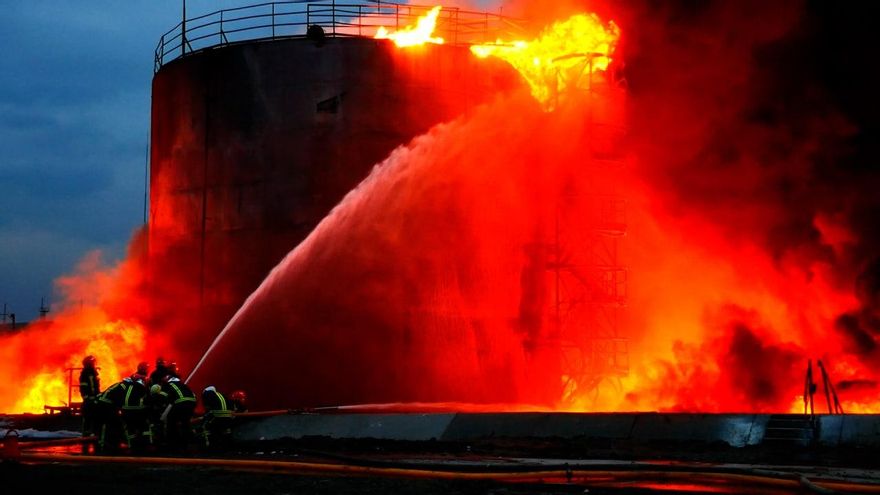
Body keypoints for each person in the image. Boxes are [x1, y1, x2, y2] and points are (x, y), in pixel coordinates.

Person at [151, 375, 196, 451]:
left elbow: (170, 400)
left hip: (181, 403)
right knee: (185, 423)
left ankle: (172, 444)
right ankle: (188, 444)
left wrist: (162, 416)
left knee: (171, 421)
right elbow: (193, 395)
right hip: (192, 403)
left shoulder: (169, 384)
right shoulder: (182, 384)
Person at [95, 378, 132, 453]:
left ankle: (112, 441)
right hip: (106, 406)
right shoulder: (123, 388)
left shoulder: (118, 385)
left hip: (103, 404)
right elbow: (121, 401)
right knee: (108, 424)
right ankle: (103, 444)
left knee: (113, 423)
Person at [121, 375, 151, 452]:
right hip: (137, 409)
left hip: (125, 410)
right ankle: (147, 444)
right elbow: (147, 398)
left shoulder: (127, 385)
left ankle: (131, 445)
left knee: (130, 427)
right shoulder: (141, 386)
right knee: (144, 426)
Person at [78, 355, 100, 453]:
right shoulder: (85, 374)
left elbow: (96, 387)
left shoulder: (93, 373)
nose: (94, 364)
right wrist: (87, 398)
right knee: (87, 420)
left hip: (94, 400)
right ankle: (85, 442)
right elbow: (83, 388)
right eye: (92, 363)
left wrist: (98, 397)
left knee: (95, 420)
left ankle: (95, 439)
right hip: (89, 402)